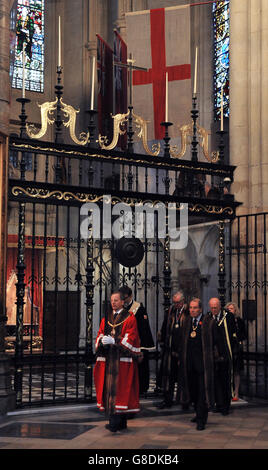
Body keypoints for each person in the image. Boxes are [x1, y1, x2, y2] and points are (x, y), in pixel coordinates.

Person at [93, 290, 141, 432]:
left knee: (121, 391)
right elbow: (100, 334)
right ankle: (121, 423)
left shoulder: (130, 318)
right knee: (110, 390)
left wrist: (115, 340)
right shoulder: (106, 318)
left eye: (116, 300)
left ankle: (114, 423)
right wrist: (101, 340)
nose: (113, 303)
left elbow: (132, 338)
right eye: (111, 300)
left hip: (122, 362)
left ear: (122, 302)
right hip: (109, 361)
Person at [179, 298, 218, 430]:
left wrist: (215, 359)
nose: (192, 310)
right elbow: (181, 342)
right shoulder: (186, 322)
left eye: (195, 308)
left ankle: (202, 419)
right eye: (190, 308)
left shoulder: (209, 322)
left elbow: (216, 343)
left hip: (203, 365)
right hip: (189, 364)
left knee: (202, 393)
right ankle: (198, 412)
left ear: (200, 309)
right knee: (193, 392)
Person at [118, 286, 155, 395]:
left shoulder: (139, 308)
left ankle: (141, 389)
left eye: (125, 298)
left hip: (138, 345)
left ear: (130, 296)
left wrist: (142, 349)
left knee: (141, 369)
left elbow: (144, 330)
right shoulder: (121, 309)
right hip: (125, 344)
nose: (123, 301)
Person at [156, 290, 188, 409]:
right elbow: (164, 327)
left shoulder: (188, 312)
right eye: (174, 302)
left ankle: (185, 401)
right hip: (170, 350)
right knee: (168, 376)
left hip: (183, 351)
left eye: (178, 302)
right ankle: (167, 400)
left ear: (183, 301)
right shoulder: (171, 311)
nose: (176, 305)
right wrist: (163, 341)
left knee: (183, 378)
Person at [208, 297, 238, 415]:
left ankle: (225, 406)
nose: (213, 310)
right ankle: (218, 404)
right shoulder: (209, 317)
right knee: (216, 382)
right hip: (213, 356)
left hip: (225, 355)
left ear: (220, 307)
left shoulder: (228, 317)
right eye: (212, 308)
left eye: (215, 308)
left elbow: (234, 335)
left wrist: (233, 352)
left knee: (225, 381)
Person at [225, 301, 246, 401]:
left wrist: (237, 338)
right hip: (227, 349)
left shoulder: (239, 321)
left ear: (235, 310)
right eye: (228, 309)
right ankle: (227, 392)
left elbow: (244, 334)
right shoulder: (224, 320)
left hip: (237, 350)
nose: (230, 310)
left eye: (231, 309)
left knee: (236, 371)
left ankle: (236, 393)